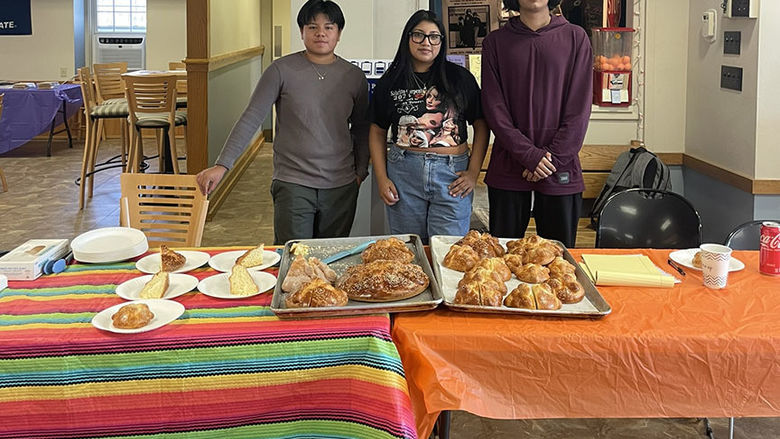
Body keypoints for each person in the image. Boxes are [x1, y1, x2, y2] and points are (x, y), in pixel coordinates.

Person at [195, 0, 369, 245]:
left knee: (332, 257)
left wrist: (360, 172)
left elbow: (362, 128)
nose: (321, 33)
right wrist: (222, 165)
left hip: (340, 185)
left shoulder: (354, 76)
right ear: (301, 32)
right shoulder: (280, 70)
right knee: (293, 257)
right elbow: (251, 117)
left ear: (339, 33)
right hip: (293, 182)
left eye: (329, 27)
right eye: (312, 27)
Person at [369, 10, 489, 243]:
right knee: (409, 248)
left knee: (449, 249)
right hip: (404, 172)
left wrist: (474, 173)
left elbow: (482, 124)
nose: (426, 42)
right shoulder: (391, 80)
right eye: (419, 35)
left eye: (434, 37)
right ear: (407, 38)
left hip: (451, 173)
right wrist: (382, 179)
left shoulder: (460, 78)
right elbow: (377, 131)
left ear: (441, 42)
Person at [481, 0, 592, 248]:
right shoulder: (495, 43)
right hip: (509, 167)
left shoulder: (576, 38)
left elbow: (579, 110)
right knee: (502, 260)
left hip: (560, 167)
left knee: (558, 263)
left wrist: (549, 159)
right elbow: (494, 108)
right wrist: (529, 155)